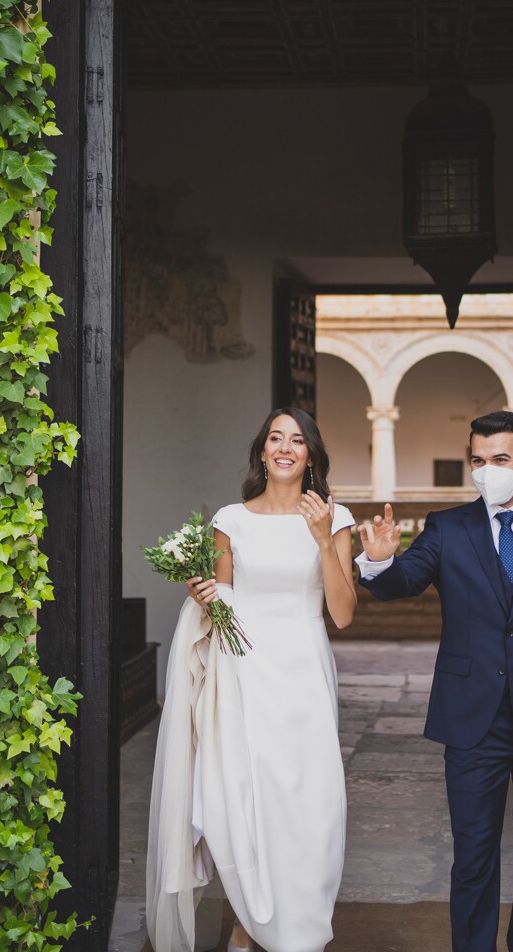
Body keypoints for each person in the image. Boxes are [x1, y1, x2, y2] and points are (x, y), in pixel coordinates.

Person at [356, 410, 513, 952]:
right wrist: (378, 563)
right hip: (472, 719)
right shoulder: (448, 528)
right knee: (473, 854)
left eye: (499, 459)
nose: (487, 470)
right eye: (478, 460)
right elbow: (406, 580)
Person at [143, 408, 357, 952]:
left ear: (311, 455)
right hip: (244, 671)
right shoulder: (230, 519)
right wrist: (205, 599)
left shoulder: (335, 518)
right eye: (275, 439)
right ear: (262, 452)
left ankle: (302, 927)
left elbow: (344, 613)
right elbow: (223, 604)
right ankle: (249, 920)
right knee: (244, 797)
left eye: (298, 440)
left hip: (305, 670)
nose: (285, 447)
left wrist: (321, 537)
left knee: (312, 800)